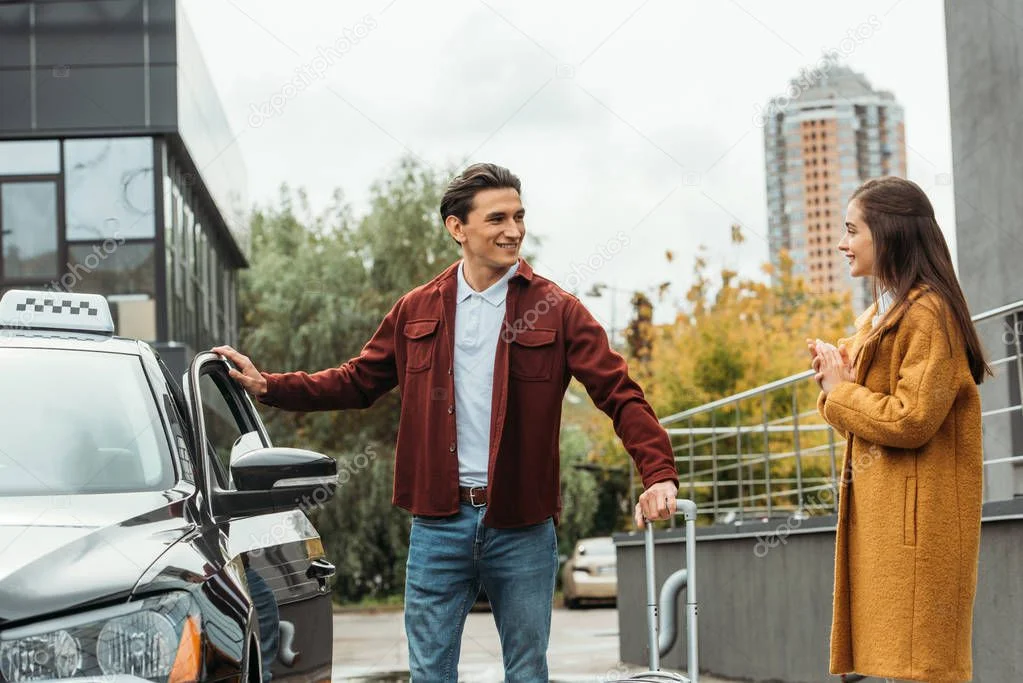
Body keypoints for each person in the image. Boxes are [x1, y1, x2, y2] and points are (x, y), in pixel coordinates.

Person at [214, 162, 679, 682]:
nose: (514, 230)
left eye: (519, 217)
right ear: (457, 228)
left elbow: (619, 392)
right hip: (438, 522)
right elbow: (356, 381)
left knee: (527, 672)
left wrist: (657, 473)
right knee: (430, 673)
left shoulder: (557, 310)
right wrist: (272, 386)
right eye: (497, 218)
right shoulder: (417, 310)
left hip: (522, 524)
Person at [809, 176, 988, 683]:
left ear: (887, 233)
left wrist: (841, 390)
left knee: (918, 667)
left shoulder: (930, 311)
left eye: (852, 230)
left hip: (918, 530)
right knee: (894, 667)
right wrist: (834, 377)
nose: (842, 244)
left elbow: (911, 420)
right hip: (890, 524)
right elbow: (860, 410)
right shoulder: (883, 311)